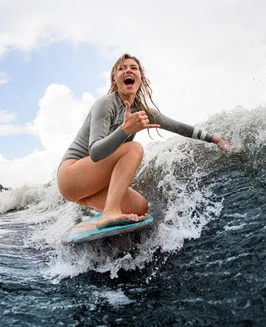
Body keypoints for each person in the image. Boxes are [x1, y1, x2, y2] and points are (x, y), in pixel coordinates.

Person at [57, 53, 232, 230]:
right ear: (114, 79)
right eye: (121, 68)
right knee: (133, 148)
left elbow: (178, 127)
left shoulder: (141, 111)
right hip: (71, 175)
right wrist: (125, 130)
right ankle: (110, 211)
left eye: (134, 68)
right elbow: (95, 153)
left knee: (140, 208)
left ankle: (91, 203)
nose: (128, 70)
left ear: (141, 77)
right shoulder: (105, 104)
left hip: (89, 184)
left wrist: (214, 139)